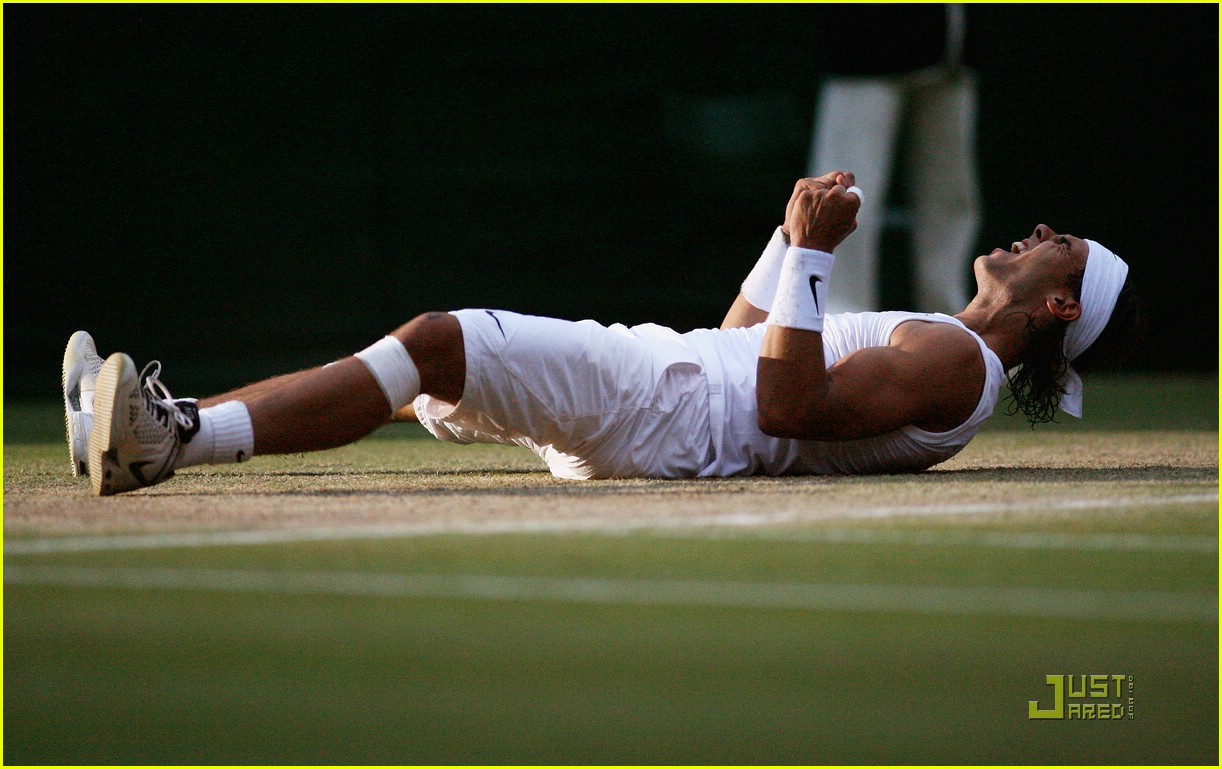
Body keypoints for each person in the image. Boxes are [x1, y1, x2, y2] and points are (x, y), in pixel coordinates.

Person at [64, 171, 1145, 496]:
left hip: (658, 405)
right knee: (414, 378)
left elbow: (782, 407)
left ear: (1059, 306)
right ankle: (143, 423)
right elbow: (743, 342)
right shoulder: (938, 340)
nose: (1042, 231)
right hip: (668, 381)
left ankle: (170, 435)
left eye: (1067, 245)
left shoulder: (958, 362)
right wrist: (785, 244)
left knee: (436, 341)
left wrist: (816, 255)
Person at [806, 5, 981, 315]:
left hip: (952, 42)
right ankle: (836, 325)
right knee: (843, 193)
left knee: (951, 196)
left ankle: (954, 325)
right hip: (865, 40)